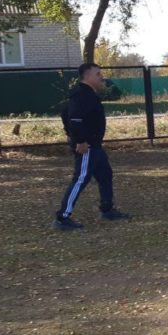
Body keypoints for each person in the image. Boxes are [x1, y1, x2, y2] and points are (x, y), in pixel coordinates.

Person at [53, 63, 131, 229]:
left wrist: (74, 135)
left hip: (95, 146)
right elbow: (73, 118)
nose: (101, 77)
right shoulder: (81, 95)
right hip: (86, 146)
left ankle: (107, 210)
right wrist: (80, 140)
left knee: (105, 175)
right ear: (87, 76)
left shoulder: (88, 94)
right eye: (98, 74)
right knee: (80, 179)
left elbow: (64, 113)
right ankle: (62, 218)